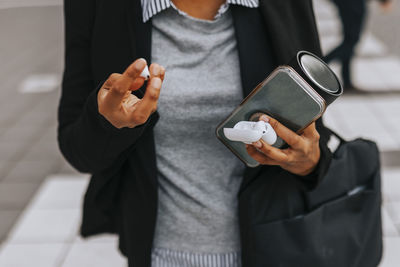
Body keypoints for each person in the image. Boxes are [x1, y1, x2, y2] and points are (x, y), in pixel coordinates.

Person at [58, 0, 333, 266]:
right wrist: (110, 123)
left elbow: (313, 136)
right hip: (159, 253)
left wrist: (308, 161)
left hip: (274, 248)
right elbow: (79, 152)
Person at [323, 0, 393, 92]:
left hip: (347, 3)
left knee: (349, 40)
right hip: (354, 4)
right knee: (351, 41)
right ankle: (321, 63)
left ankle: (347, 81)